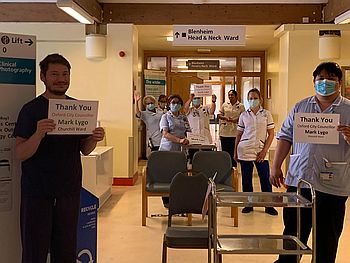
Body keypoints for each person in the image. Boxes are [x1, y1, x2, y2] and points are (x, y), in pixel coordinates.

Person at [14, 53, 105, 263]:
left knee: (66, 250)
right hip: (37, 192)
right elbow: (20, 153)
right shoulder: (31, 110)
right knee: (34, 251)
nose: (61, 79)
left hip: (69, 191)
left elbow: (85, 150)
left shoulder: (77, 109)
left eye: (65, 74)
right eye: (54, 74)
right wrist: (38, 134)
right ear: (43, 77)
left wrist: (94, 138)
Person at [270, 62, 350, 263]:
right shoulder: (301, 107)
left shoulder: (348, 109)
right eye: (321, 78)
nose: (325, 82)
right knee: (293, 233)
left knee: (327, 238)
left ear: (339, 83)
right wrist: (276, 165)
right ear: (313, 81)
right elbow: (285, 136)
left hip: (333, 186)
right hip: (299, 180)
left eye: (331, 78)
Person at [234, 88, 278, 216]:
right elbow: (239, 134)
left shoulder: (266, 114)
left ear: (260, 99)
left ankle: (269, 206)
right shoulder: (243, 115)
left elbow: (271, 134)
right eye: (250, 98)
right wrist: (235, 151)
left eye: (255, 98)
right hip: (245, 149)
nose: (252, 100)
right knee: (246, 179)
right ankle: (249, 204)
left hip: (260, 150)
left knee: (265, 178)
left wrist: (265, 151)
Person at [218, 89, 245, 167]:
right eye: (229, 95)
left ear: (236, 96)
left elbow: (244, 117)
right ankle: (225, 167)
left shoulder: (241, 106)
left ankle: (234, 168)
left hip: (235, 132)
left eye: (232, 95)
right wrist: (225, 118)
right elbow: (219, 115)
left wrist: (235, 120)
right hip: (224, 132)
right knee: (225, 152)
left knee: (234, 151)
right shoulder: (225, 104)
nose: (230, 96)